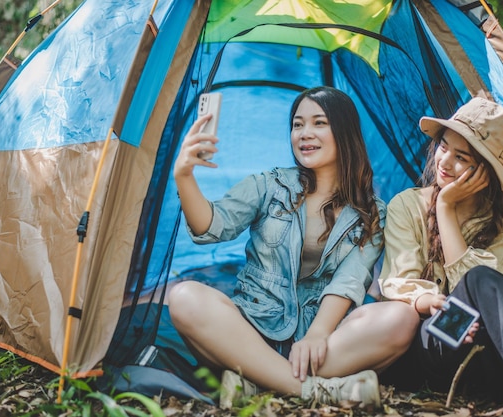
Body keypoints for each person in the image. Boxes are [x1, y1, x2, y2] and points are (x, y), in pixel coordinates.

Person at [168, 86, 419, 408]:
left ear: (345, 132)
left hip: (324, 342)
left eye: (318, 123)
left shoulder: (373, 213)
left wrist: (317, 334)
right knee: (185, 296)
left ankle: (259, 382)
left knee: (402, 318)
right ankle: (312, 389)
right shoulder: (269, 185)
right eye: (297, 124)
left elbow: (349, 280)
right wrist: (184, 175)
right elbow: (212, 226)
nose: (304, 133)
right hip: (252, 329)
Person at [378, 97, 503, 414]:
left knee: (483, 282)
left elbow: (490, 298)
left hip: (479, 345)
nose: (445, 162)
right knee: (479, 280)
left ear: (486, 172)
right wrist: (443, 206)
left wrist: (447, 212)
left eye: (461, 157)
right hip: (429, 341)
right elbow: (399, 285)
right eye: (443, 146)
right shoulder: (407, 205)